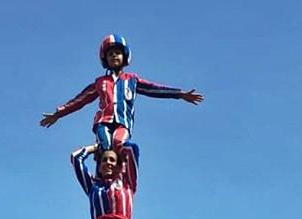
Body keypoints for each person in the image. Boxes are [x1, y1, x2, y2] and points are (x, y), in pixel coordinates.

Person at [40, 34, 203, 152]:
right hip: (103, 121)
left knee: (119, 143)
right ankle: (103, 177)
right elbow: (80, 100)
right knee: (105, 145)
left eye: (117, 53)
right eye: (110, 54)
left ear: (124, 56)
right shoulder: (100, 82)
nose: (114, 56)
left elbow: (154, 88)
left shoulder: (132, 79)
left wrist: (179, 94)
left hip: (123, 122)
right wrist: (58, 113)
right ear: (105, 60)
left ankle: (126, 175)